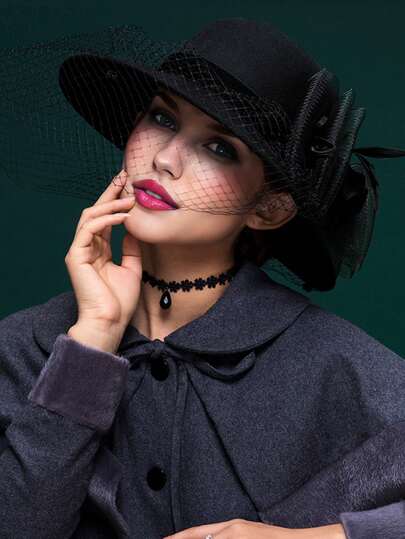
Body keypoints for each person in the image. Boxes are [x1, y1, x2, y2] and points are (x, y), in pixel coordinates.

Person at [1, 16, 405, 539]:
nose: (165, 159)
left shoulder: (336, 364)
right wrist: (92, 343)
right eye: (162, 118)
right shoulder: (23, 347)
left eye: (219, 148)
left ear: (269, 208)